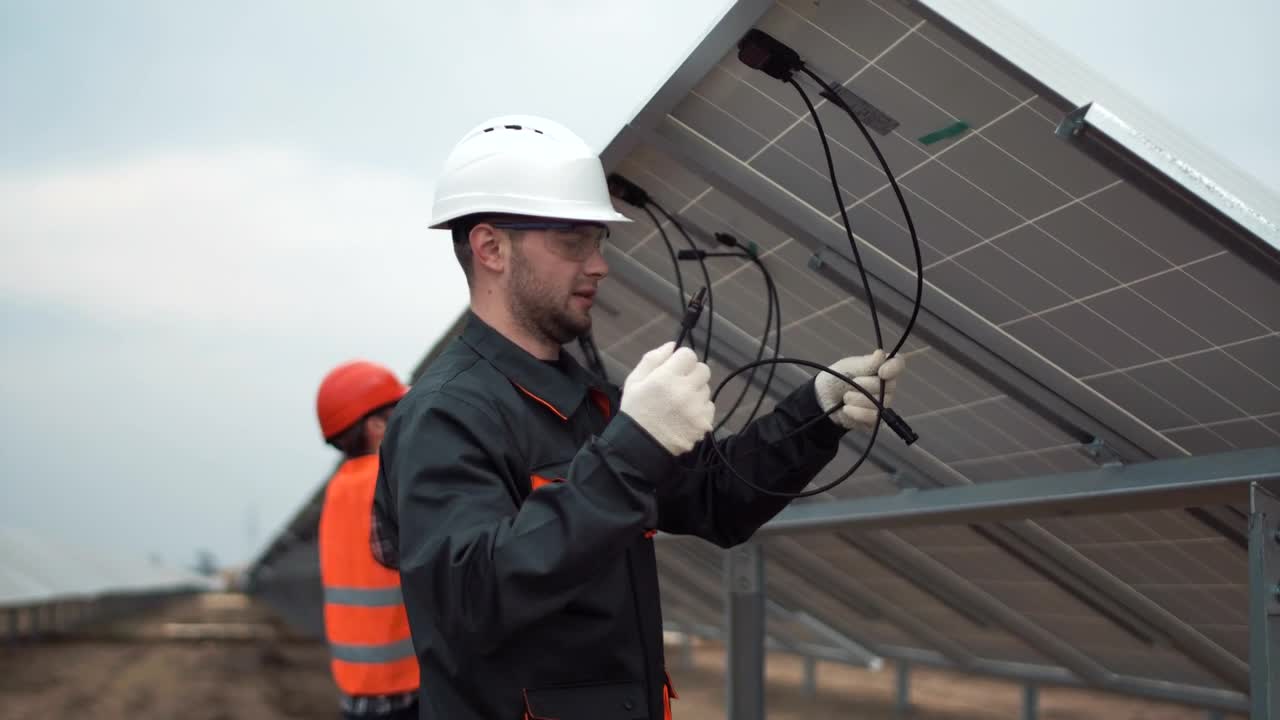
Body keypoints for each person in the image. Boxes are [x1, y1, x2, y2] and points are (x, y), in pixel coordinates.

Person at [373, 115, 905, 720]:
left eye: (599, 241)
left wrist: (815, 413)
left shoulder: (585, 399)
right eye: (574, 240)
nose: (599, 264)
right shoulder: (446, 412)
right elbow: (471, 601)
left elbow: (716, 498)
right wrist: (629, 448)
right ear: (491, 248)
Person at [315, 360, 419, 720]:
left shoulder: (340, 488)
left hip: (360, 691)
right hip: (403, 690)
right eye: (397, 415)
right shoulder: (389, 481)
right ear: (376, 426)